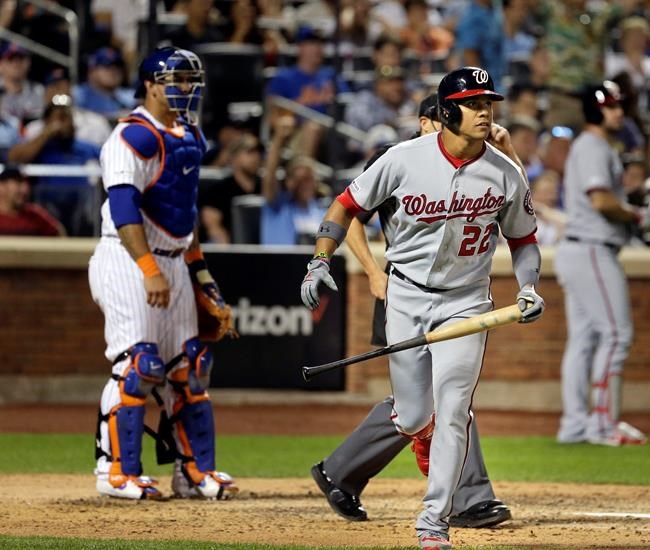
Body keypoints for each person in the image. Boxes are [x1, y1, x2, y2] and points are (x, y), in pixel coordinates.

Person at [300, 67, 545, 550]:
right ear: (447, 110)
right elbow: (345, 205)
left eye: (487, 103)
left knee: (453, 409)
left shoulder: (504, 172)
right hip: (406, 295)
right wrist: (319, 259)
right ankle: (346, 470)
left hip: (467, 302)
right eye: (474, 104)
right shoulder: (403, 159)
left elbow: (524, 240)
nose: (484, 112)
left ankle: (434, 521)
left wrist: (529, 286)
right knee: (414, 415)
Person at [88, 46, 238, 500]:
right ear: (151, 85)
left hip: (173, 261)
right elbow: (123, 207)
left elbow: (183, 218)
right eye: (177, 80)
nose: (186, 89)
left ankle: (192, 472)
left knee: (191, 367)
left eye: (191, 81)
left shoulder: (189, 136)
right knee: (139, 367)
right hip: (128, 258)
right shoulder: (131, 137)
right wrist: (149, 268)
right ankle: (115, 471)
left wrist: (204, 281)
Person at [555, 81, 648, 447]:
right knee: (616, 334)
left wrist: (630, 201)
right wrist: (637, 216)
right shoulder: (593, 146)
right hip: (593, 248)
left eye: (618, 106)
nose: (618, 112)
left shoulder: (589, 146)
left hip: (581, 249)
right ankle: (602, 424)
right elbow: (601, 202)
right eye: (611, 107)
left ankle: (576, 425)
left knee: (584, 340)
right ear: (596, 110)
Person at [0, 165, 64, 236]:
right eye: (19, 182)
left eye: (28, 184)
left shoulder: (35, 215)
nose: (25, 189)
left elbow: (59, 234)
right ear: (1, 186)